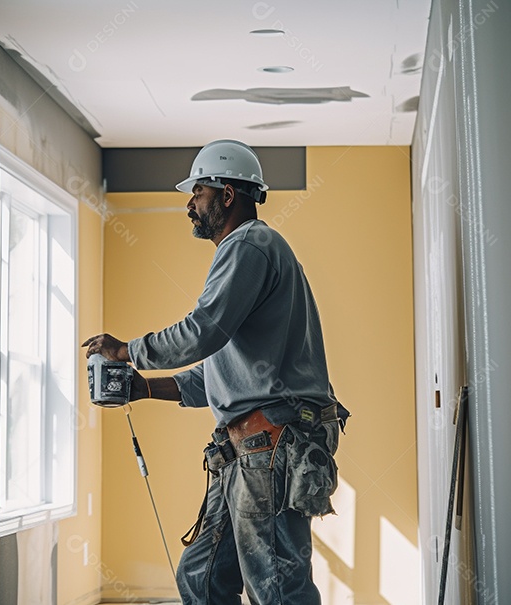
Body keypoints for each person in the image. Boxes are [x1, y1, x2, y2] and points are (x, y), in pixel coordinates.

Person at [82, 139, 347, 605]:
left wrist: (128, 350)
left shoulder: (250, 244)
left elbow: (202, 331)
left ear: (227, 194)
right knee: (201, 576)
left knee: (278, 589)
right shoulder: (248, 257)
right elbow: (216, 375)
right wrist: (141, 387)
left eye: (198, 191)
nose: (190, 204)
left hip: (270, 449)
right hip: (244, 453)